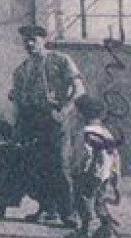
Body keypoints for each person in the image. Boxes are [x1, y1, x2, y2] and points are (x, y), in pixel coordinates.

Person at [9, 25, 83, 226]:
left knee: (60, 165)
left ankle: (68, 212)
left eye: (33, 39)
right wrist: (17, 124)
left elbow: (78, 89)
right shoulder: (22, 69)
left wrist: (63, 111)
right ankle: (46, 209)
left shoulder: (61, 60)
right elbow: (16, 97)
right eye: (26, 40)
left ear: (44, 39)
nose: (29, 44)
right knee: (37, 165)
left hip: (56, 119)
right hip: (32, 121)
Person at [66, 95, 121, 238]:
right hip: (104, 173)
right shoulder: (105, 132)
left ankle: (85, 232)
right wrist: (115, 174)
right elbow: (114, 154)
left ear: (82, 114)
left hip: (88, 172)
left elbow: (85, 153)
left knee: (83, 200)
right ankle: (105, 230)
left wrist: (78, 169)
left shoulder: (84, 132)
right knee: (99, 201)